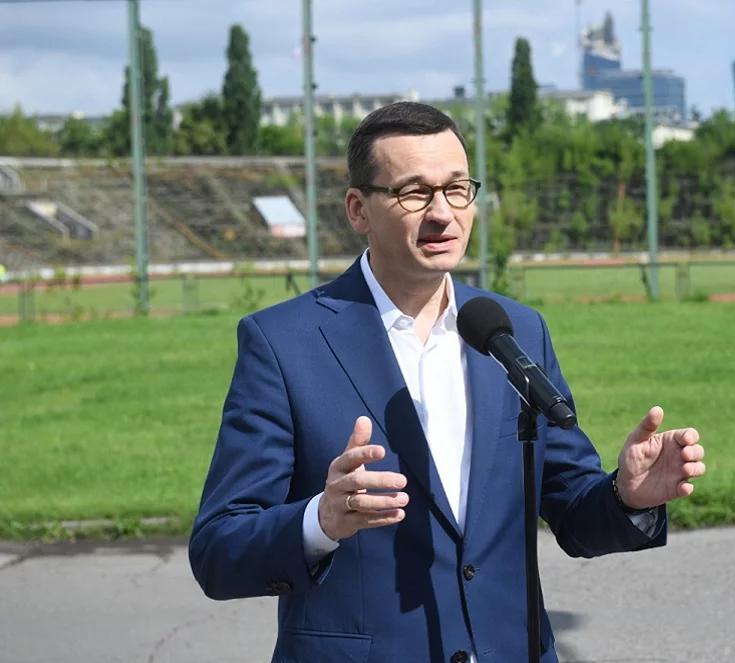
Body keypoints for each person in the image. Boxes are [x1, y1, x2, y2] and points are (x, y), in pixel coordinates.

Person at [189, 101, 706, 663]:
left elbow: (573, 511)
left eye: (457, 189)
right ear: (358, 209)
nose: (443, 214)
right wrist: (321, 519)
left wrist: (626, 497)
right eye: (414, 193)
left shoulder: (515, 332)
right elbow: (219, 551)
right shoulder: (284, 343)